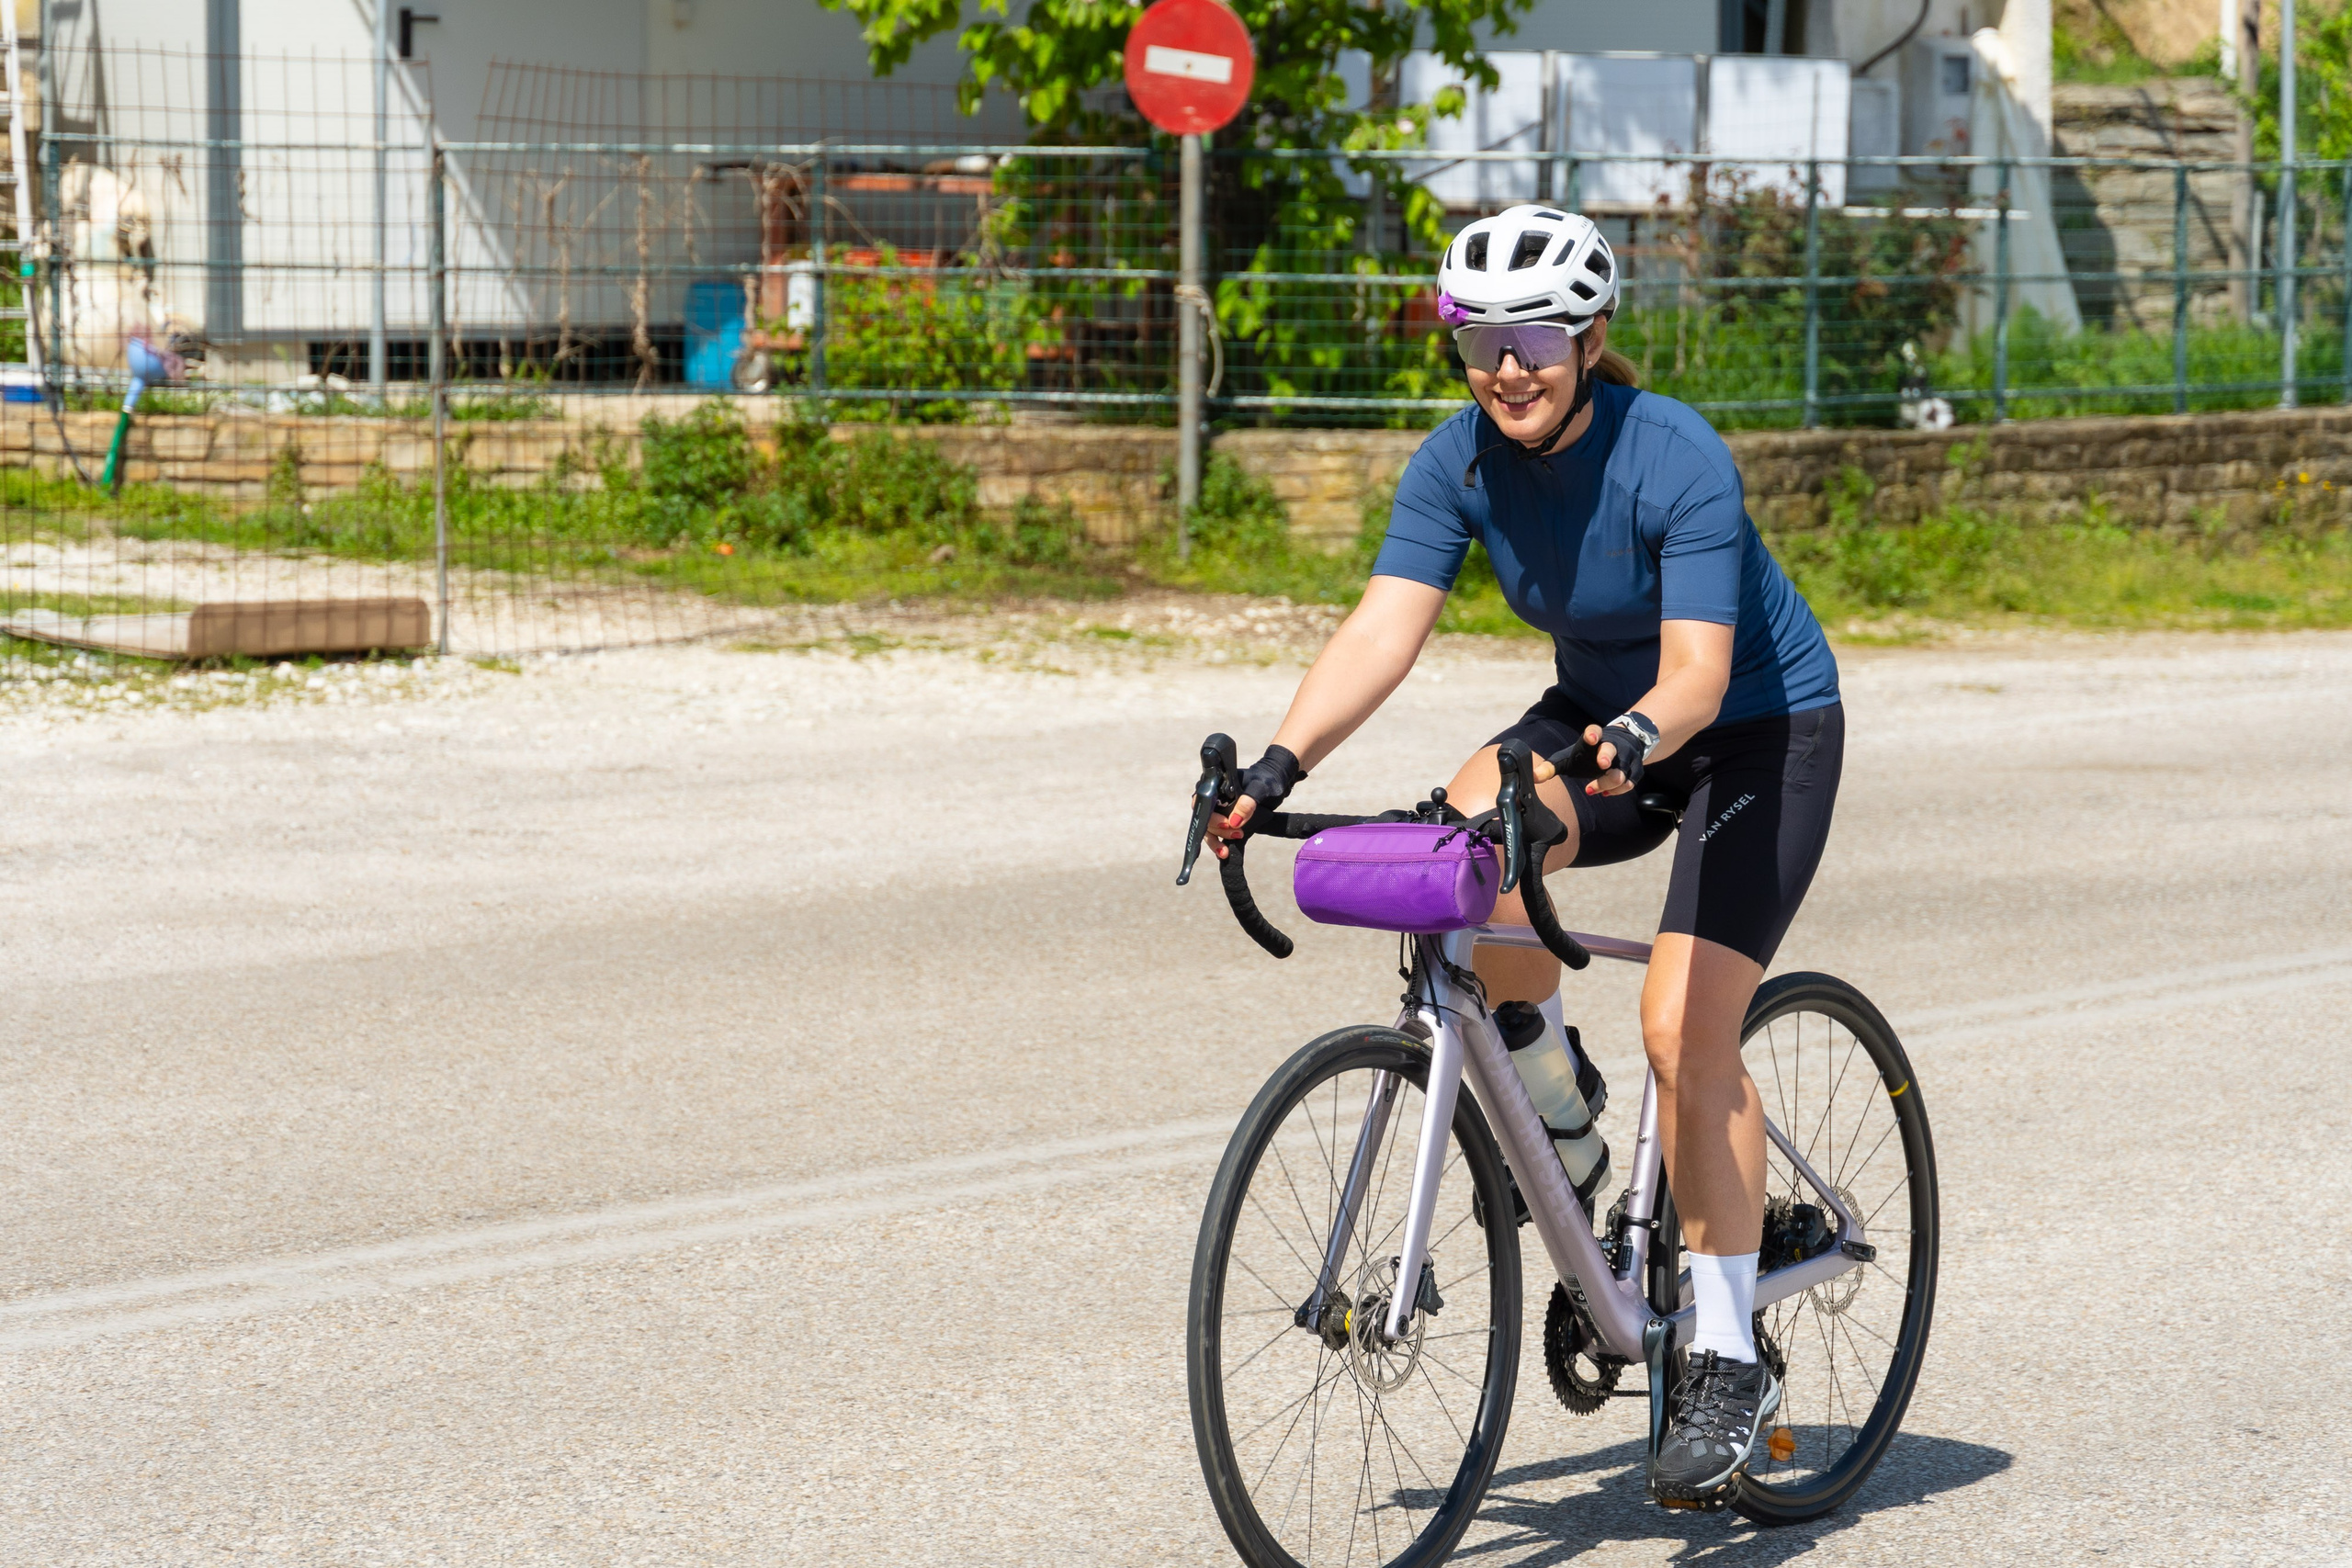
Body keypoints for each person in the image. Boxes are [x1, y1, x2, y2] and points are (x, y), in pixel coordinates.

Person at [1207, 205, 1843, 1502]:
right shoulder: (1457, 463)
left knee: (1684, 1026)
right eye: (1479, 338)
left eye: (1537, 338)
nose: (1508, 366)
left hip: (1750, 734)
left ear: (1591, 337)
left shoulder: (1676, 455)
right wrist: (1279, 769)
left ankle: (1728, 1353)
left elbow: (1702, 674)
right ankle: (1586, 1157)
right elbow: (1384, 631)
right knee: (1455, 861)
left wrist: (1637, 732)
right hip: (1598, 722)